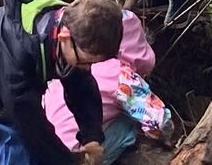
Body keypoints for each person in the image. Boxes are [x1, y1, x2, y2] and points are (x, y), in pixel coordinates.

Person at [0, 0, 124, 165]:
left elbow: (82, 89)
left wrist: (91, 136)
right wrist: (66, 161)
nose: (88, 68)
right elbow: (29, 123)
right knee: (15, 139)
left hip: (21, 82)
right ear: (64, 37)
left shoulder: (70, 31)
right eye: (86, 62)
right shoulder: (20, 48)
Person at [44, 10, 173, 165]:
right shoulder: (121, 74)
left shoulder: (70, 66)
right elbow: (158, 122)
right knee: (131, 119)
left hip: (48, 148)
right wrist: (166, 135)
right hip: (79, 153)